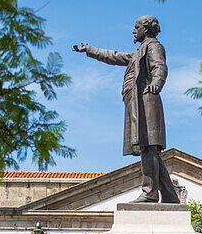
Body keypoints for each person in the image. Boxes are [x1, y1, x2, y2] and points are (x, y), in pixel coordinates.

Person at [73, 15, 180, 204]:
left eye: (136, 27)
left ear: (145, 29)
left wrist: (156, 83)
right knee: (149, 150)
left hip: (146, 99)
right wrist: (90, 50)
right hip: (137, 100)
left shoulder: (154, 46)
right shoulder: (139, 52)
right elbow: (115, 56)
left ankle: (150, 193)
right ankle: (170, 196)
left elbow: (160, 67)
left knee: (148, 148)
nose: (133, 30)